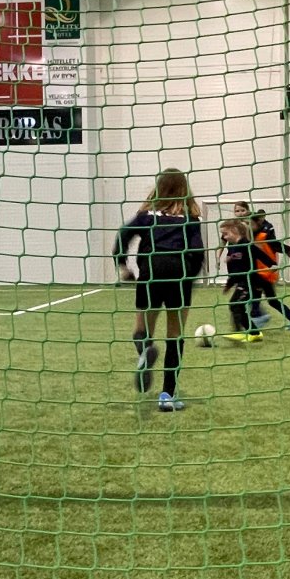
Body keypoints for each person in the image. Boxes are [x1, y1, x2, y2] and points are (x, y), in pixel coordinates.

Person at [113, 168, 205, 412]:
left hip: (151, 270)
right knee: (175, 334)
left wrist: (124, 265)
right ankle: (167, 395)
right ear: (184, 190)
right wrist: (189, 279)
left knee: (142, 329)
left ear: (159, 188)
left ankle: (145, 352)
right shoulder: (191, 218)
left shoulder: (146, 216)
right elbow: (197, 252)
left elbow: (123, 236)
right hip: (179, 271)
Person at [249, 212, 290, 330]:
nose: (248, 227)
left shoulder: (263, 236)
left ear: (258, 224)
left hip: (266, 272)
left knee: (254, 297)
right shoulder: (248, 239)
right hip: (258, 273)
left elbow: (276, 244)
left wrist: (289, 250)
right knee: (271, 301)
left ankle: (258, 319)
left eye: (250, 224)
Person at [219, 219, 266, 343]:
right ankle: (249, 332)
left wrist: (271, 266)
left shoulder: (245, 245)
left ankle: (250, 333)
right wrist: (229, 284)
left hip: (250, 282)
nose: (224, 237)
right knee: (235, 305)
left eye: (225, 234)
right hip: (243, 282)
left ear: (235, 231)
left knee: (237, 305)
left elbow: (259, 257)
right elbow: (236, 270)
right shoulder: (235, 247)